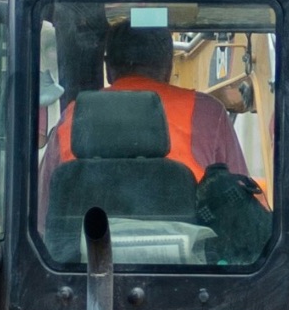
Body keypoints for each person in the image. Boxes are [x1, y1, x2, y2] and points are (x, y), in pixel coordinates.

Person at [39, 22, 248, 188]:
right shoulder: (208, 114)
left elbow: (42, 215)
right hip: (192, 243)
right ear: (168, 66)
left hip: (85, 241)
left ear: (109, 69)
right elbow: (243, 200)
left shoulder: (73, 117)